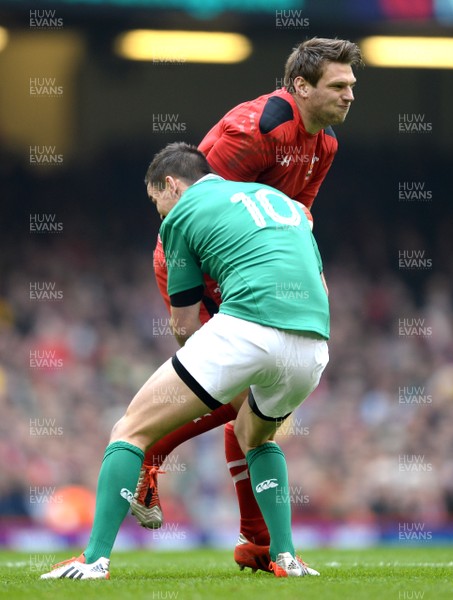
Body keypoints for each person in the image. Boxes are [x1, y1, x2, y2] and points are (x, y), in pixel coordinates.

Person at [41, 142, 329, 580]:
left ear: (172, 185)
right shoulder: (280, 202)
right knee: (254, 436)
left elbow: (185, 323)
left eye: (157, 203)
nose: (161, 216)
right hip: (314, 344)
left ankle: (94, 560)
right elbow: (320, 287)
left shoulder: (181, 214)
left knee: (131, 429)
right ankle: (286, 557)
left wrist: (198, 386)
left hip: (248, 327)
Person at [131, 37, 362, 572]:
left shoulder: (323, 146)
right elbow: (193, 209)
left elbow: (296, 219)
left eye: (353, 85)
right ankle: (149, 448)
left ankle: (256, 542)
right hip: (197, 269)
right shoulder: (253, 130)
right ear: (301, 86)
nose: (351, 95)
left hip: (251, 277)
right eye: (340, 85)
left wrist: (313, 274)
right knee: (241, 396)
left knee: (251, 409)